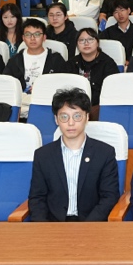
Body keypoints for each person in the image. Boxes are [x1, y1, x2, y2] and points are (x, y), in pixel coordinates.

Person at [27, 88, 120, 222]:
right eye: (64, 117)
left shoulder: (104, 153)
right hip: (53, 225)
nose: (71, 123)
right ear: (56, 119)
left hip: (92, 224)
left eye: (77, 116)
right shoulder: (43, 155)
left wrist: (86, 228)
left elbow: (109, 197)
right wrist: (44, 228)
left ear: (87, 117)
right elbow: (37, 198)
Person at [6, 18, 68, 95]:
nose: (32, 38)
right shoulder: (15, 60)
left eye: (37, 34)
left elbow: (64, 83)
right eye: (28, 35)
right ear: (23, 38)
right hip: (20, 99)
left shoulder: (56, 59)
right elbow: (7, 83)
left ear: (44, 37)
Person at [68, 28, 118, 112]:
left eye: (90, 39)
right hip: (74, 107)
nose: (86, 43)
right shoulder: (71, 63)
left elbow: (112, 91)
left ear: (97, 43)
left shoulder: (108, 63)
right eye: (82, 40)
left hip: (99, 107)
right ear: (77, 45)